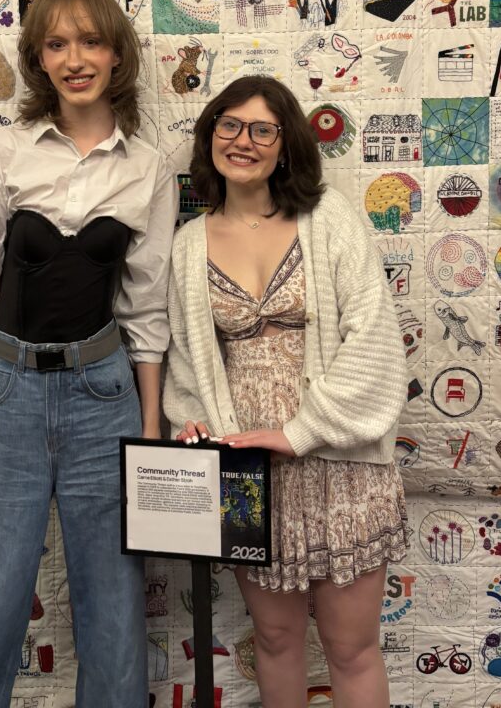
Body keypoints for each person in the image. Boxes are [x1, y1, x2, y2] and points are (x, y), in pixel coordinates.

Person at [0, 0, 178, 708]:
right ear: (38, 59)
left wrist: (148, 429)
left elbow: (146, 308)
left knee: (113, 608)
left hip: (105, 398)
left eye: (90, 40)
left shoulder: (148, 168)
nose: (75, 58)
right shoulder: (2, 154)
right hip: (8, 392)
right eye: (56, 43)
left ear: (117, 55)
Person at [163, 76, 408, 708]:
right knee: (274, 641)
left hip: (342, 466)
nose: (243, 141)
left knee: (351, 649)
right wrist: (190, 426)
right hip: (252, 474)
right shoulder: (188, 245)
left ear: (286, 144)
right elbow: (189, 366)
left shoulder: (328, 219)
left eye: (262, 129)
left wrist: (299, 432)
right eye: (229, 125)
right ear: (210, 135)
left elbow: (376, 341)